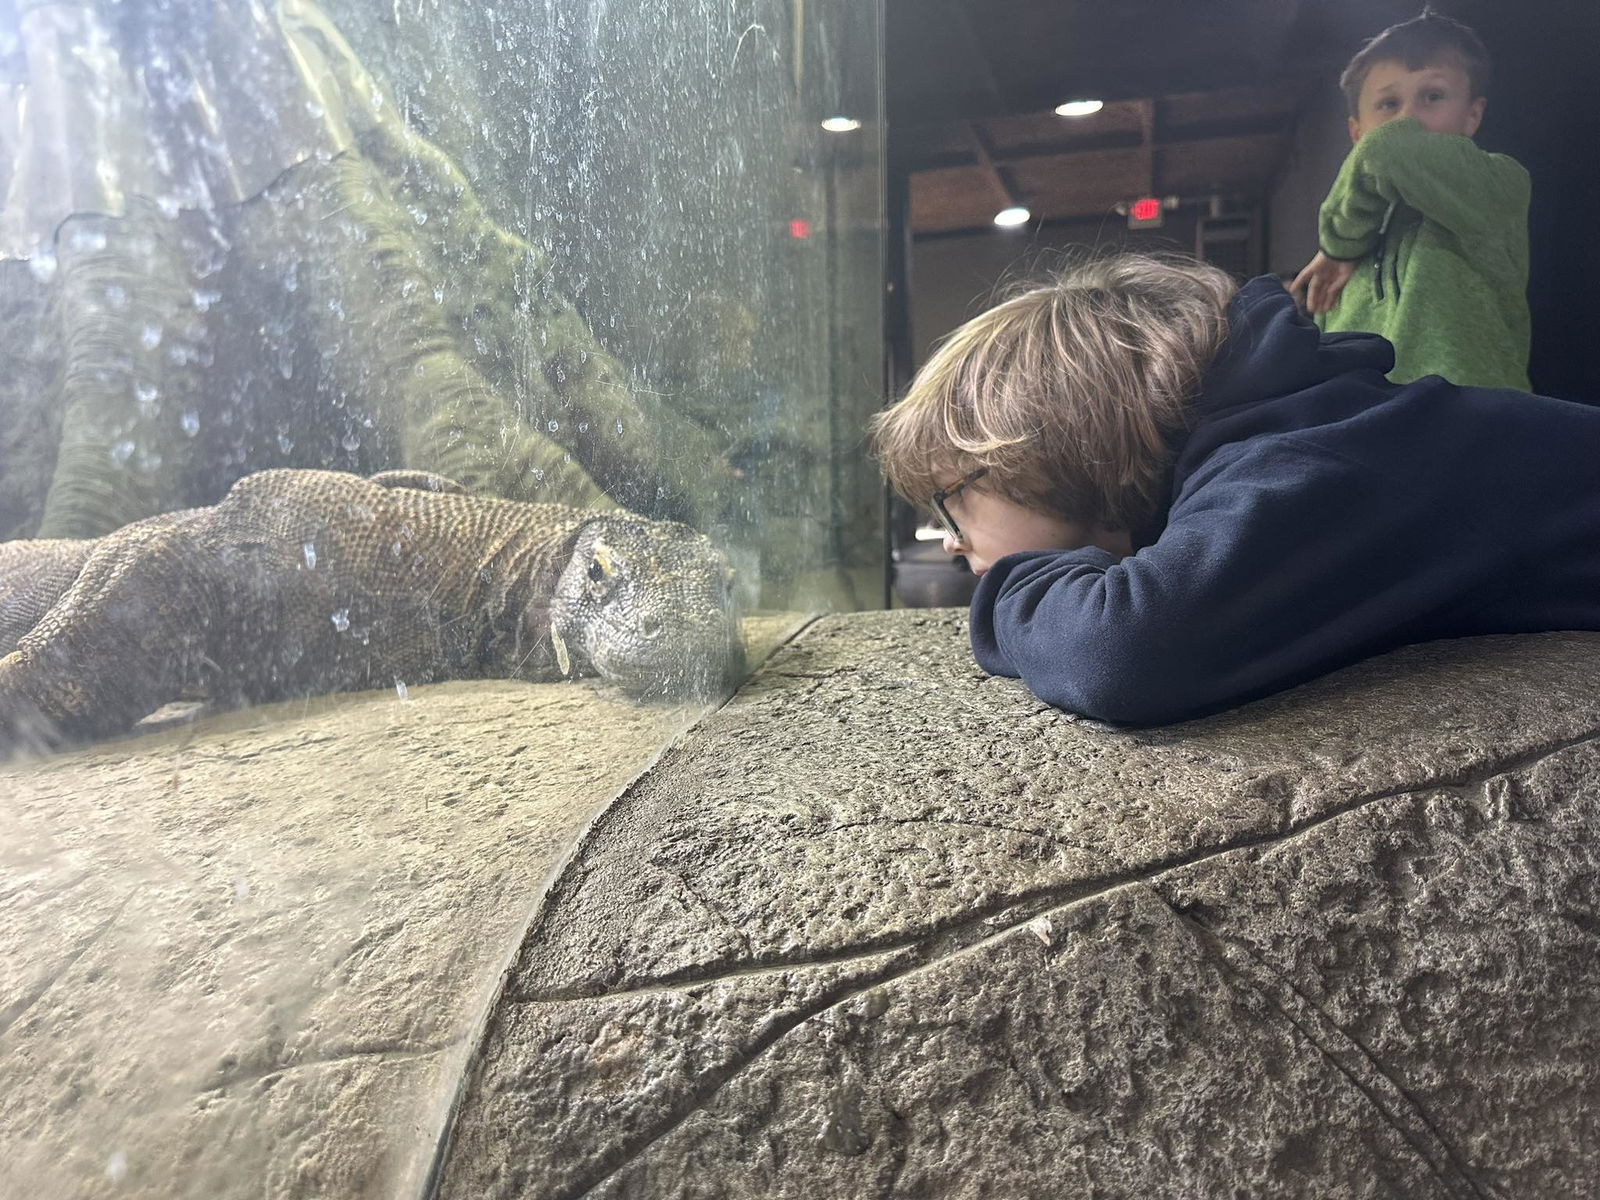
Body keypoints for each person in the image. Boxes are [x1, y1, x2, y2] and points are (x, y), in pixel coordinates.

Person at [869, 254, 1600, 726]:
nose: (956, 541)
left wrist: (1009, 589)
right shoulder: (1296, 426)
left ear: (1033, 455)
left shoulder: (1309, 460)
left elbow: (1126, 651)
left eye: (949, 502)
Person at [1290, 11, 1531, 390]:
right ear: (1356, 131)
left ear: (1472, 115)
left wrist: (1337, 246)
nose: (1409, 119)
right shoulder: (1341, 265)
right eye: (1388, 104)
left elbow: (1389, 146)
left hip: (1477, 426)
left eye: (1432, 96)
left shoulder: (1500, 183)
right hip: (1376, 439)